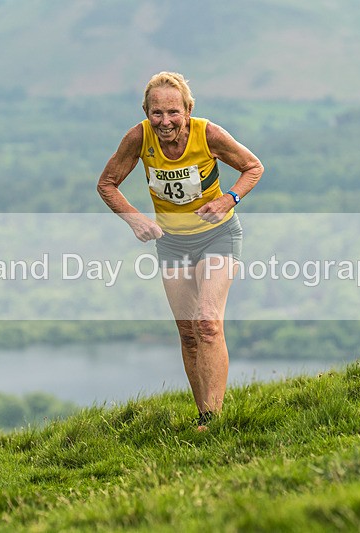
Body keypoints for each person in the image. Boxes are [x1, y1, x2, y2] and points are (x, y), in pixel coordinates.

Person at [97, 72, 264, 430]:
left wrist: (227, 199)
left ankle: (212, 419)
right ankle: (203, 411)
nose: (165, 121)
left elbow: (253, 167)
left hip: (217, 236)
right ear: (146, 111)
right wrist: (136, 220)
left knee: (207, 322)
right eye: (156, 113)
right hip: (171, 243)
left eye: (173, 112)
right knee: (188, 333)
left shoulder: (209, 134)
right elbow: (107, 184)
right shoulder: (138, 138)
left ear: (188, 110)